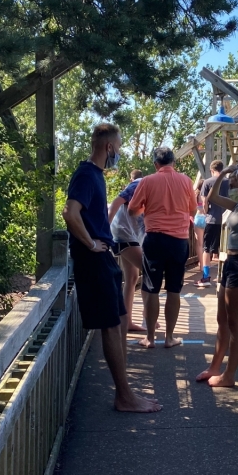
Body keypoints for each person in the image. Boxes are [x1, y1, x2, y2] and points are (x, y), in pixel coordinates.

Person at [62, 124, 161, 413]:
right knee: (110, 325)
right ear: (108, 148)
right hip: (93, 259)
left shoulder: (95, 176)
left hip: (104, 257)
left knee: (118, 322)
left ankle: (125, 390)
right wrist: (91, 244)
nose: (119, 152)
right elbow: (70, 212)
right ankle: (124, 396)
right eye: (118, 146)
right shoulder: (85, 175)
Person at [196, 160, 238, 387]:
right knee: (221, 319)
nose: (232, 183)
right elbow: (212, 198)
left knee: (235, 323)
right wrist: (224, 173)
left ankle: (229, 375)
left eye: (234, 181)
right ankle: (214, 367)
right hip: (231, 262)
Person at [128, 147, 198, 349]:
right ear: (173, 162)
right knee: (174, 289)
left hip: (154, 239)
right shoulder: (185, 181)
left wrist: (146, 208)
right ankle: (169, 337)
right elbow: (193, 209)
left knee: (151, 288)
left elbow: (132, 210)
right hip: (178, 241)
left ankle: (150, 338)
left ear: (155, 164)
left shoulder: (147, 181)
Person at [108, 169, 146, 334]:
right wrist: (104, 231)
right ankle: (148, 316)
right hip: (123, 234)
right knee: (150, 272)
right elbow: (116, 202)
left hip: (127, 235)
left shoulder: (147, 186)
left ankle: (128, 321)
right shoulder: (139, 184)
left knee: (132, 278)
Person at [199, 160, 229, 284]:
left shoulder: (207, 182)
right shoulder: (228, 182)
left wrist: (206, 212)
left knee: (206, 249)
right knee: (225, 249)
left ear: (212, 170)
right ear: (222, 169)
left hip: (212, 219)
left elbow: (204, 202)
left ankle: (206, 277)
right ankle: (223, 276)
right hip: (227, 219)